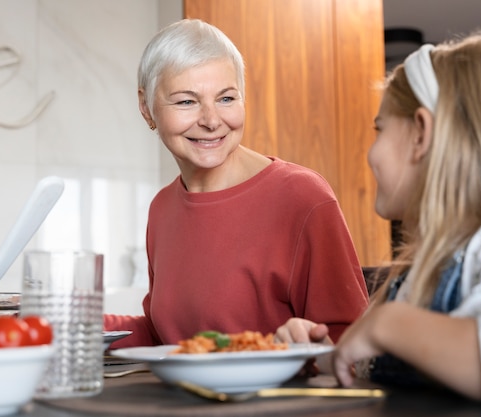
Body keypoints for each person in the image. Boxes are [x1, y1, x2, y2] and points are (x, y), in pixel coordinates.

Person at [275, 32, 481, 411]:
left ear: (421, 134)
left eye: (380, 129)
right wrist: (319, 355)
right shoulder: (413, 276)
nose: (371, 153)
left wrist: (389, 324)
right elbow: (370, 374)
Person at [103, 19, 369, 348]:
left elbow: (352, 345)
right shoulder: (162, 208)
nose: (212, 120)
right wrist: (66, 322)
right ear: (146, 108)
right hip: (184, 399)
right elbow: (164, 337)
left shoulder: (303, 197)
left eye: (227, 99)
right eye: (186, 101)